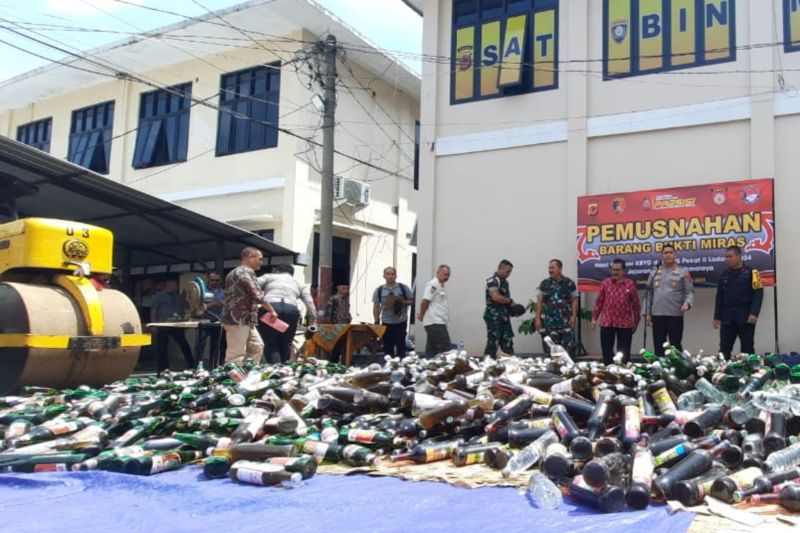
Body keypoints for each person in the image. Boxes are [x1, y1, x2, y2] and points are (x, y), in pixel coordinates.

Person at [221, 247, 276, 365]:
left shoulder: (233, 272)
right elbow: (257, 294)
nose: (261, 262)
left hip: (244, 320)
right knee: (236, 354)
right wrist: (272, 310)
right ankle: (232, 380)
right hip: (237, 320)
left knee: (257, 346)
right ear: (250, 257)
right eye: (260, 259)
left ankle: (246, 373)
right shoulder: (244, 272)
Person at [258, 263, 317, 364]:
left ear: (277, 271)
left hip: (271, 308)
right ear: (292, 274)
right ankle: (285, 369)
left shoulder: (269, 277)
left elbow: (252, 287)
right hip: (291, 310)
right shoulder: (299, 283)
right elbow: (309, 301)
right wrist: (313, 319)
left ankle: (275, 369)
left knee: (271, 343)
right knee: (286, 343)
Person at [713, 245, 763, 359]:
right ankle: (723, 374)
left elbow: (758, 294)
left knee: (747, 348)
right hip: (727, 318)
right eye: (726, 257)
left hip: (745, 317)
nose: (727, 259)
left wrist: (754, 313)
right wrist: (717, 317)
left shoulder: (752, 272)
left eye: (730, 256)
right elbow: (719, 296)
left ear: (739, 256)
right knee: (724, 348)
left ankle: (749, 373)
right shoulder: (724, 274)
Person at [644, 244, 694, 356]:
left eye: (670, 252)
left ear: (675, 255)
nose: (668, 255)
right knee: (658, 346)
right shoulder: (654, 271)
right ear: (661, 255)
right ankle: (661, 372)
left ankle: (677, 371)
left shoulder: (683, 271)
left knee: (675, 347)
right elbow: (648, 294)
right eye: (665, 253)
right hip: (657, 315)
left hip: (675, 315)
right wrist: (647, 313)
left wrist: (688, 303)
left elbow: (689, 291)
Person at [591, 259, 640, 364]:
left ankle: (623, 376)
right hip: (607, 322)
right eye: (613, 269)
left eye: (618, 270)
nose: (615, 272)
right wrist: (594, 318)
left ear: (624, 271)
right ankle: (609, 374)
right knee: (607, 352)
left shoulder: (630, 284)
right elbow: (599, 301)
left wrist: (636, 322)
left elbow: (636, 305)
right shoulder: (606, 282)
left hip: (625, 324)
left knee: (623, 354)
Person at [535, 259, 578, 356]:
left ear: (560, 269)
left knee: (568, 351)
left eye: (553, 268)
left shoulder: (569, 283)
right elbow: (539, 301)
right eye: (549, 268)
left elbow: (574, 300)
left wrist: (573, 316)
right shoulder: (544, 284)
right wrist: (537, 318)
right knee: (550, 352)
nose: (550, 270)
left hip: (565, 323)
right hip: (550, 324)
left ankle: (568, 371)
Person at [151, 278, 195, 372]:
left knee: (184, 345)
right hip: (163, 324)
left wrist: (186, 299)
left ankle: (192, 365)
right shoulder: (158, 296)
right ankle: (163, 369)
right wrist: (154, 324)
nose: (176, 287)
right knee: (162, 348)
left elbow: (185, 308)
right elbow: (154, 310)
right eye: (175, 285)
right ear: (169, 285)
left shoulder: (178, 297)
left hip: (176, 324)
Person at [372, 267, 414, 357]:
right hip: (386, 321)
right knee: (387, 347)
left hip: (400, 320)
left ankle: (401, 366)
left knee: (401, 346)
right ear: (384, 276)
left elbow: (411, 301)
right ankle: (389, 365)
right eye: (388, 274)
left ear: (396, 276)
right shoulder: (379, 290)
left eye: (392, 274)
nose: (390, 276)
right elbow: (376, 306)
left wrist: (402, 301)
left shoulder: (403, 288)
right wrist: (376, 320)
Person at [418, 265, 452, 356]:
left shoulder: (440, 286)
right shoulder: (433, 284)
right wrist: (421, 315)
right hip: (435, 322)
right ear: (437, 273)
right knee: (445, 350)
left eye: (448, 275)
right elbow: (425, 301)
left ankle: (428, 367)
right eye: (444, 274)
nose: (446, 277)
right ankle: (445, 369)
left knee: (431, 350)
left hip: (436, 322)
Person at [484, 259, 515, 357]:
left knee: (508, 342)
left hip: (504, 317)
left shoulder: (505, 282)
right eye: (508, 271)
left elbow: (505, 299)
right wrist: (509, 301)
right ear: (501, 268)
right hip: (494, 317)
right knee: (493, 343)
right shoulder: (492, 281)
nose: (509, 274)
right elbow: (495, 297)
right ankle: (488, 364)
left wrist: (514, 306)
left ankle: (510, 365)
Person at [194, 272, 224, 368]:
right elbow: (197, 307)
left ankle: (213, 367)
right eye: (212, 280)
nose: (214, 282)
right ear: (208, 280)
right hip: (204, 320)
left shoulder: (224, 292)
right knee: (200, 345)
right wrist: (213, 304)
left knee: (215, 346)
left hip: (218, 321)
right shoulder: (202, 291)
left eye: (217, 280)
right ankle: (197, 366)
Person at [323, 284, 352, 363]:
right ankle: (333, 361)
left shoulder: (346, 299)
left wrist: (349, 318)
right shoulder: (333, 298)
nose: (345, 290)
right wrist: (329, 325)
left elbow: (347, 310)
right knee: (335, 346)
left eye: (347, 288)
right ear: (338, 288)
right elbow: (328, 313)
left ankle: (344, 361)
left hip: (345, 325)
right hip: (335, 325)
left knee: (344, 345)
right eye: (343, 288)